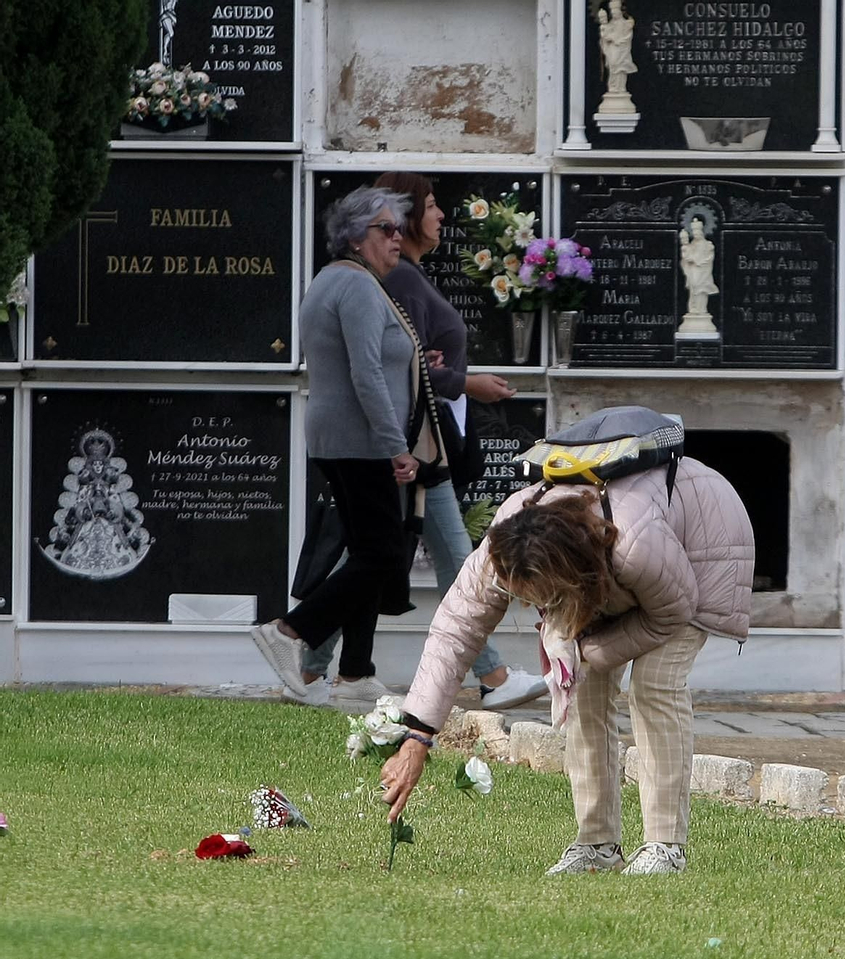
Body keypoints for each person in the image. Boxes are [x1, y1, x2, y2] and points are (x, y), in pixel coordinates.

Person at [378, 451, 755, 876]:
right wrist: (418, 735)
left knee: (655, 684)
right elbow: (455, 629)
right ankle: (597, 844)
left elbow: (672, 611)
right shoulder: (507, 543)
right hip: (618, 565)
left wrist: (590, 652)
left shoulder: (634, 547)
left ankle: (665, 846)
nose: (530, 605)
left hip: (702, 543)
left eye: (539, 595)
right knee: (584, 690)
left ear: (570, 573)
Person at [290, 172, 547, 712]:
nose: (432, 218)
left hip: (404, 439)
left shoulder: (375, 279)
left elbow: (394, 359)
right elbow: (369, 371)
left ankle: (328, 668)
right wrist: (446, 395)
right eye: (425, 207)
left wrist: (420, 372)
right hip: (405, 441)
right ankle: (301, 640)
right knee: (406, 554)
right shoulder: (375, 282)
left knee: (379, 552)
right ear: (363, 234)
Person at [250, 187, 428, 703]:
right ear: (354, 235)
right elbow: (366, 372)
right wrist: (397, 445)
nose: (398, 238)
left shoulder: (338, 281)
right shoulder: (355, 288)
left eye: (400, 229)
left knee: (368, 550)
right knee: (381, 554)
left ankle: (354, 673)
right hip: (361, 442)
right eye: (387, 229)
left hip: (344, 438)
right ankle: (288, 632)